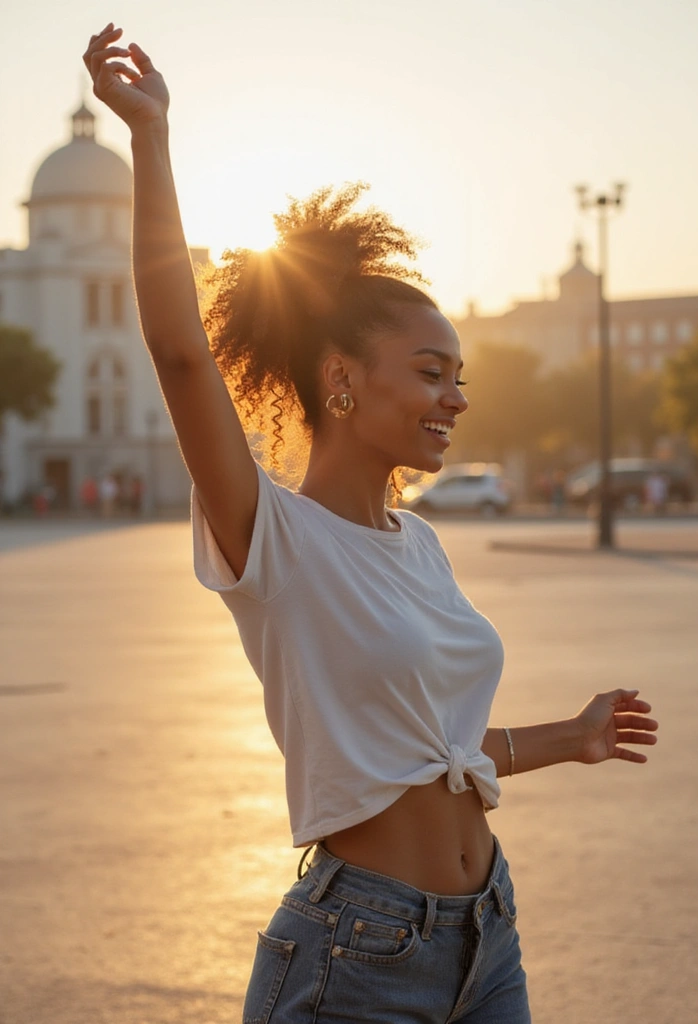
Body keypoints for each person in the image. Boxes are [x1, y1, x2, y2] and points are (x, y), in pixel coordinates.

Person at [83, 25, 659, 1023]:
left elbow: (427, 750)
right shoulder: (270, 537)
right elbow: (182, 354)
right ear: (341, 380)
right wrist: (152, 140)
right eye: (430, 374)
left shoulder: (420, 545)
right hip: (354, 958)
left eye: (458, 378)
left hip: (485, 935)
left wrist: (571, 736)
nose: (454, 399)